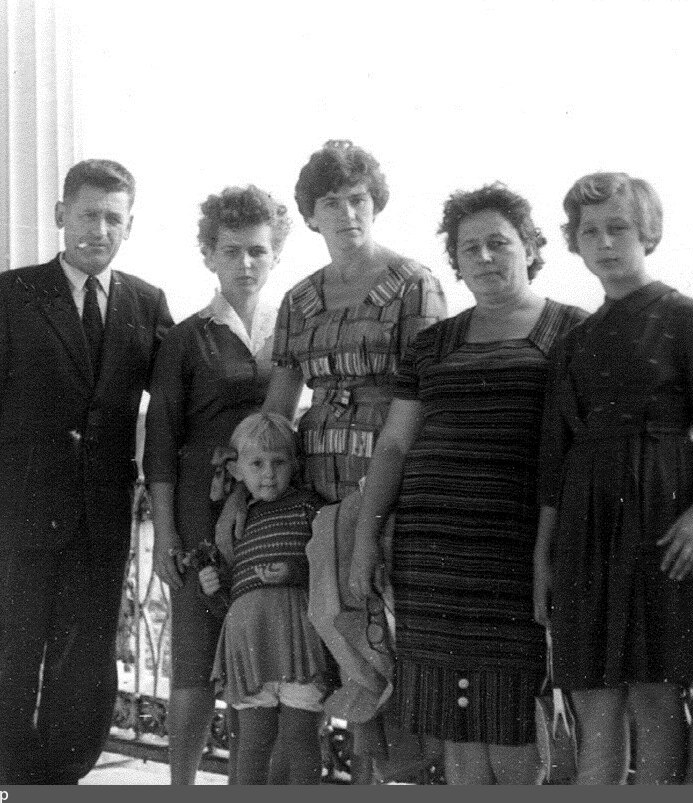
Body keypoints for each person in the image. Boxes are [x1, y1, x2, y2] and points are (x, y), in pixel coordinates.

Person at [0, 159, 173, 784]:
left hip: (101, 518)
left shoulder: (146, 303)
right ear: (59, 216)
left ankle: (65, 779)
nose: (100, 230)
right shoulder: (11, 293)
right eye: (88, 215)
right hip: (16, 515)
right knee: (15, 660)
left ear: (129, 226)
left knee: (89, 661)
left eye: (113, 219)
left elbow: (179, 396)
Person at [348, 183, 587, 784]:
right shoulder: (433, 343)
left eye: (498, 243)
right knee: (453, 729)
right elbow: (395, 444)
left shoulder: (573, 332)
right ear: (454, 260)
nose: (483, 257)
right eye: (468, 247)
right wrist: (365, 539)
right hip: (432, 555)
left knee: (512, 720)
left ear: (531, 247)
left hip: (516, 551)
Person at [533, 172, 693, 784]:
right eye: (590, 231)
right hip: (584, 531)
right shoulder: (573, 342)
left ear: (647, 233)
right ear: (575, 242)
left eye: (619, 228)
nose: (605, 242)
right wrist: (543, 558)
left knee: (656, 698)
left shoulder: (686, 318)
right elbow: (554, 461)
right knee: (593, 706)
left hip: (661, 521)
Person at [252, 139, 447, 780]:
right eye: (331, 203)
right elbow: (278, 407)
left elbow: (425, 397)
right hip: (316, 482)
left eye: (358, 199)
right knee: (333, 646)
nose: (347, 214)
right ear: (311, 216)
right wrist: (247, 491)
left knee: (388, 635)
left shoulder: (412, 284)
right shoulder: (299, 299)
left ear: (376, 203)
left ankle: (394, 777)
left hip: (390, 478)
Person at [143, 185, 292, 784]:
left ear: (276, 253)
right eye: (232, 251)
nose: (246, 263)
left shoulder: (290, 331)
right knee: (197, 653)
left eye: (258, 250)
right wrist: (165, 533)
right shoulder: (188, 338)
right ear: (209, 255)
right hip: (201, 512)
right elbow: (160, 442)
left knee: (265, 652)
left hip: (273, 505)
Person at [201, 412, 329, 785]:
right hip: (249, 643)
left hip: (298, 640)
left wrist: (296, 572)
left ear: (295, 464)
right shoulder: (236, 521)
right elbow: (230, 597)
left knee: (301, 737)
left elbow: (328, 568)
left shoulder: (310, 507)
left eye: (279, 462)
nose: (269, 473)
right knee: (253, 741)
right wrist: (213, 587)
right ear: (237, 470)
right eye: (257, 464)